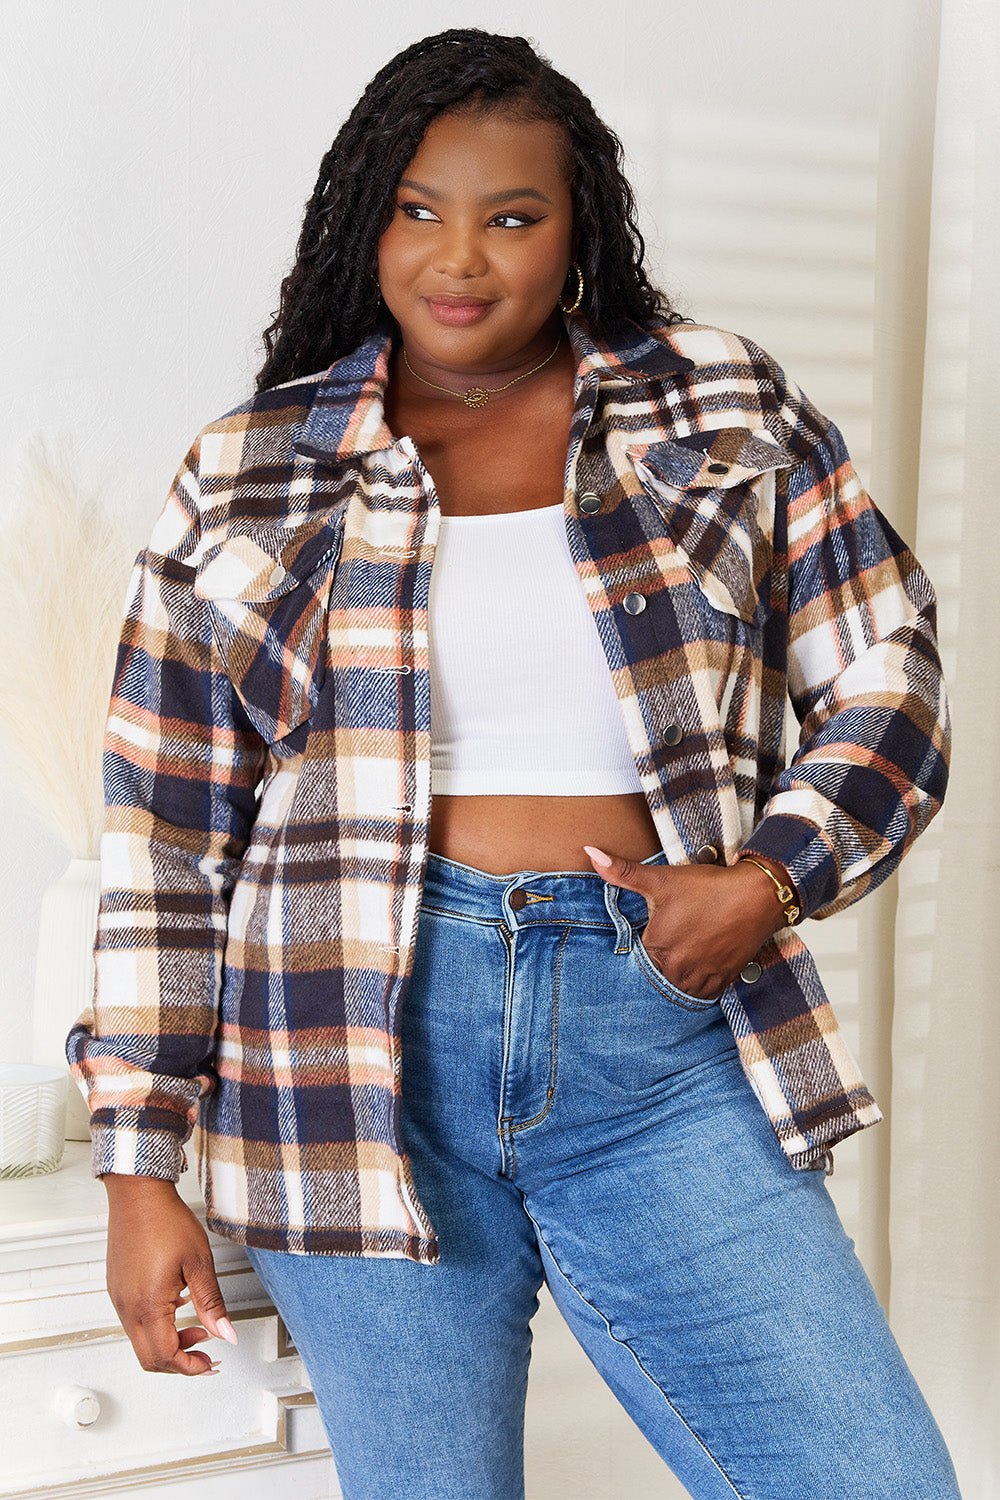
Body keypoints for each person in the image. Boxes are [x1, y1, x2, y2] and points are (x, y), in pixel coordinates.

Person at [68, 27, 961, 1500]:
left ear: (580, 231)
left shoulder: (721, 405)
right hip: (349, 1061)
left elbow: (888, 672)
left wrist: (771, 879)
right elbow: (163, 838)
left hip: (662, 1040)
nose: (459, 258)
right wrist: (134, 1166)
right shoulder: (251, 467)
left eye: (512, 216)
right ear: (367, 218)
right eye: (419, 209)